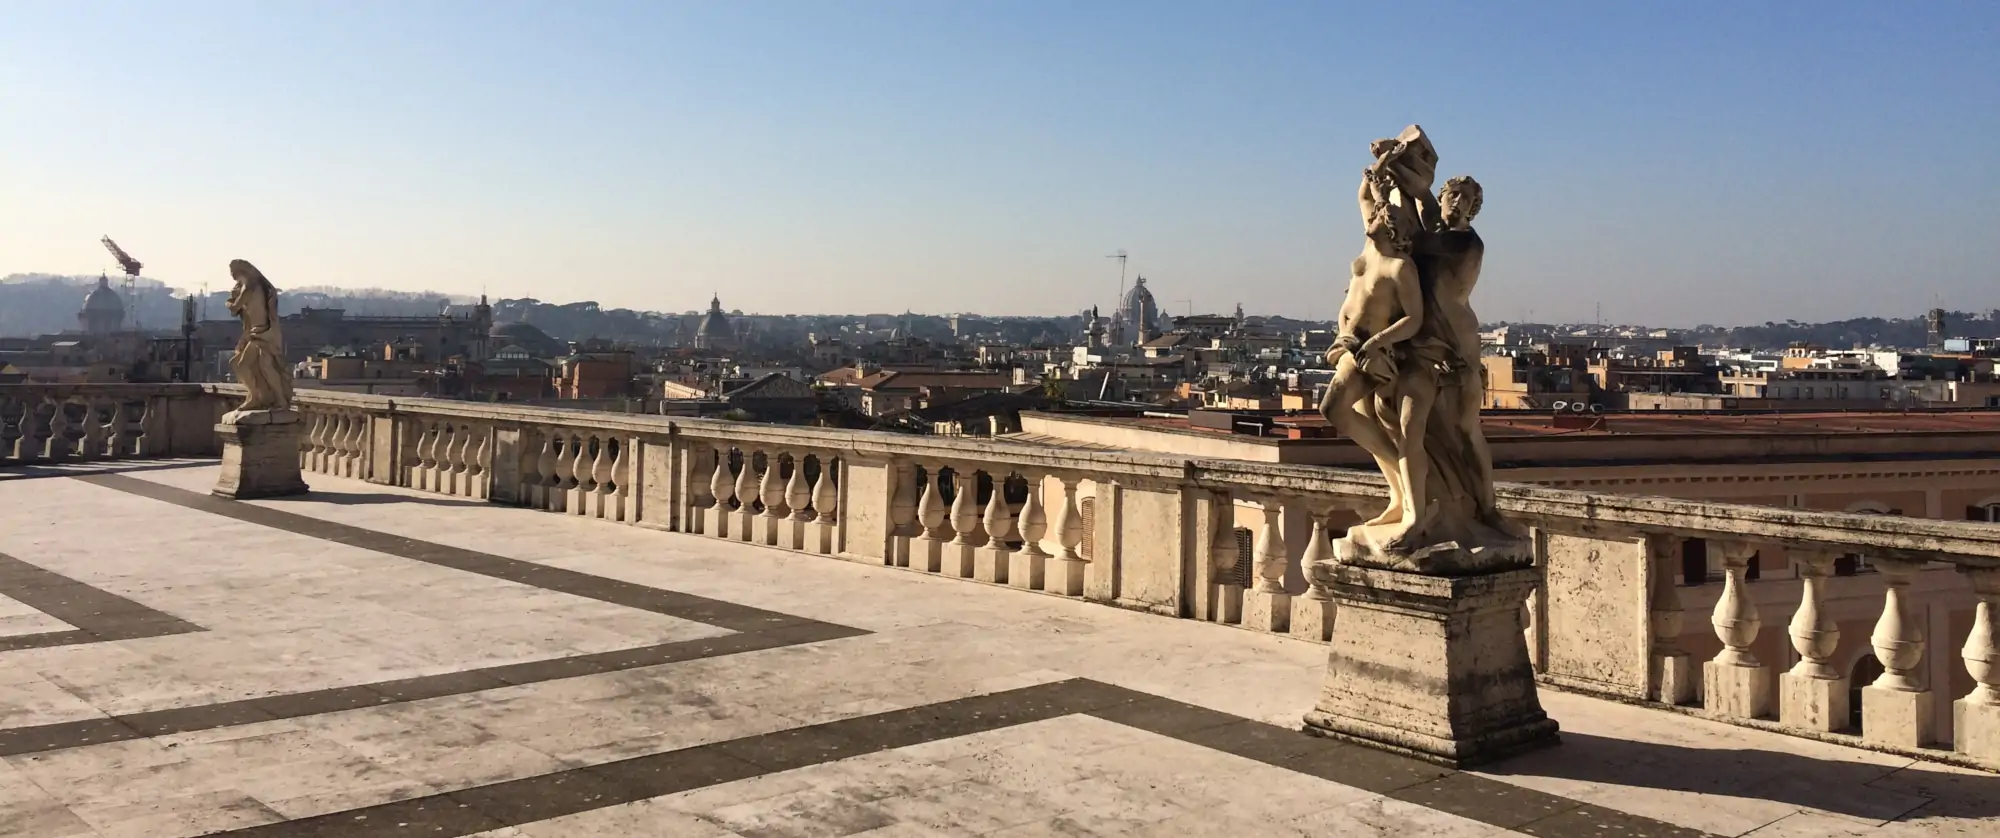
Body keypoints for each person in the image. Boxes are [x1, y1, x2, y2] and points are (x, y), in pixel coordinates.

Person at [225, 259, 294, 412]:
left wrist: (228, 302)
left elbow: (234, 308)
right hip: (257, 333)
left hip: (262, 333)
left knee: (249, 365)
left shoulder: (249, 285)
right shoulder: (254, 285)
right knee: (257, 366)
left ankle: (263, 397)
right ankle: (260, 396)